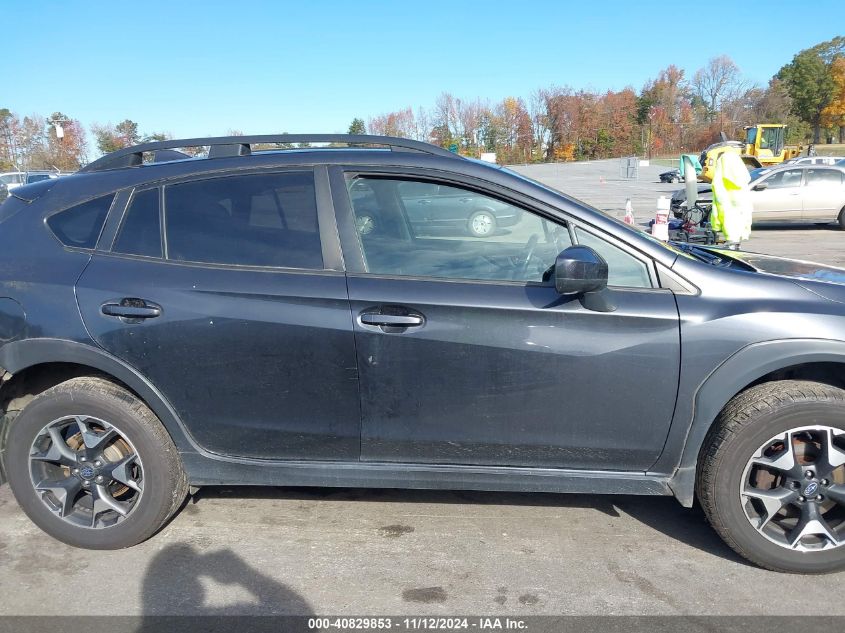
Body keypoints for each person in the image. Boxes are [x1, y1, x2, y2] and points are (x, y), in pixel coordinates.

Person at [709, 152, 752, 250]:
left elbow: (717, 207)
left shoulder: (721, 187)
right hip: (739, 229)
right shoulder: (742, 186)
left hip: (729, 230)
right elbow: (748, 210)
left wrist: (716, 225)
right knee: (736, 244)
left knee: (731, 244)